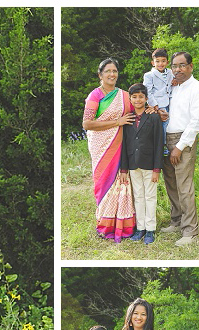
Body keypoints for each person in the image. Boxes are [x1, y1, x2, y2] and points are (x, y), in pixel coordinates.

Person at [82, 58, 135, 243]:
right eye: (108, 71)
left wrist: (154, 110)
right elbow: (87, 124)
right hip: (100, 145)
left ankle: (122, 224)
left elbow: (137, 110)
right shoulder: (94, 96)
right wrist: (116, 122)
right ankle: (105, 224)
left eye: (114, 71)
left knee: (121, 182)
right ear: (100, 75)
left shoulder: (125, 95)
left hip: (119, 144)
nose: (112, 74)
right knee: (104, 182)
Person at [160, 52, 199, 247]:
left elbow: (196, 123)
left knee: (184, 185)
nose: (177, 69)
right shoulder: (173, 87)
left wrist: (179, 147)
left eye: (181, 65)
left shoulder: (198, 89)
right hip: (166, 138)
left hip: (183, 141)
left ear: (191, 66)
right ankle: (177, 221)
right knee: (170, 182)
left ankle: (190, 231)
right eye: (174, 66)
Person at [118, 84, 164, 245]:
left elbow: (159, 143)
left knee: (150, 196)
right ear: (130, 99)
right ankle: (140, 228)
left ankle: (150, 229)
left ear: (146, 99)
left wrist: (157, 168)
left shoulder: (153, 117)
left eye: (141, 97)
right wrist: (123, 168)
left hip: (150, 164)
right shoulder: (127, 118)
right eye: (134, 97)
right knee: (138, 196)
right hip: (132, 164)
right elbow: (124, 144)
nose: (138, 100)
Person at [142, 48, 173, 156]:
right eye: (158, 61)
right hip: (159, 103)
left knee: (169, 124)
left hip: (169, 101)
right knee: (163, 124)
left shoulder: (170, 72)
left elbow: (172, 82)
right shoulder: (149, 75)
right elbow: (148, 92)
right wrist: (156, 106)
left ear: (167, 62)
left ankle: (167, 144)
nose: (160, 63)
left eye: (163, 61)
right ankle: (162, 145)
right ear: (153, 62)